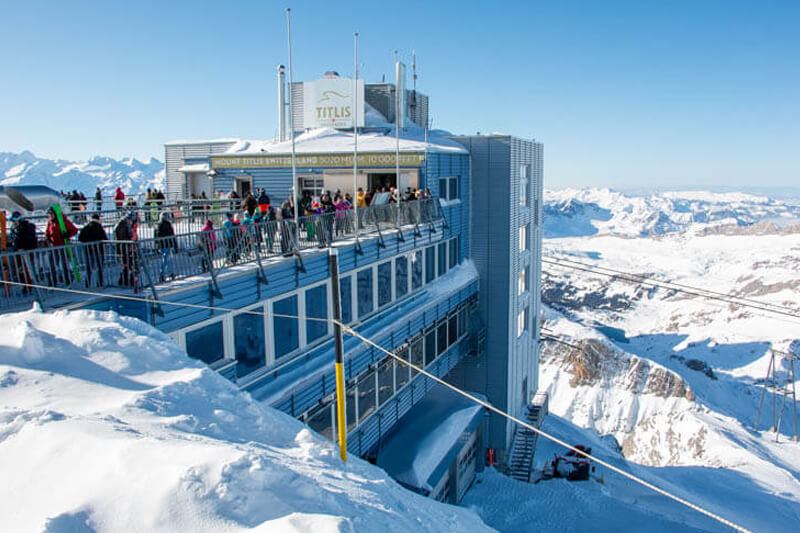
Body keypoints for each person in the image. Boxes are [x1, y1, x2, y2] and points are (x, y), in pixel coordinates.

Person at [44, 206, 78, 285]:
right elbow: (47, 232)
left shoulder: (63, 221)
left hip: (63, 246)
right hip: (53, 247)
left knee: (64, 264)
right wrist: (47, 238)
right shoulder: (50, 222)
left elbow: (74, 230)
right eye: (49, 214)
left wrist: (67, 235)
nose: (50, 215)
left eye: (51, 214)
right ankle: (53, 281)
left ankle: (67, 279)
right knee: (52, 264)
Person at [9, 212, 37, 293]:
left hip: (25, 252)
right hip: (18, 252)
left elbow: (29, 239)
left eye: (14, 221)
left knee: (27, 269)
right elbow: (15, 239)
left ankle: (29, 286)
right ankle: (24, 285)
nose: (13, 223)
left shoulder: (26, 227)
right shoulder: (15, 228)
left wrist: (23, 247)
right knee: (20, 269)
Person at [78, 213, 107, 288]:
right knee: (99, 268)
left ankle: (87, 284)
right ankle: (99, 284)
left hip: (88, 250)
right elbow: (105, 239)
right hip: (98, 250)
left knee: (89, 269)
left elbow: (80, 238)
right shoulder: (99, 228)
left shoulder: (86, 227)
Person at [113, 212, 138, 289]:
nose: (131, 222)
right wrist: (130, 241)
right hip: (124, 248)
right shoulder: (122, 226)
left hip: (126, 248)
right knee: (128, 265)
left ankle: (127, 281)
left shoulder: (125, 225)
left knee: (129, 265)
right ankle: (125, 281)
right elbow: (123, 238)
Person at [154, 212, 177, 281]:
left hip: (161, 244)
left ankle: (171, 273)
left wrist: (156, 245)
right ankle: (162, 274)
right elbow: (172, 235)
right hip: (167, 244)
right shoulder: (167, 225)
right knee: (166, 259)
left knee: (167, 259)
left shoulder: (157, 225)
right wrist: (175, 244)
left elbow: (155, 237)